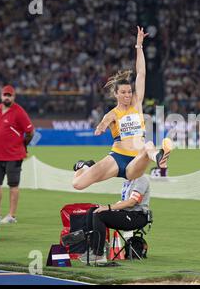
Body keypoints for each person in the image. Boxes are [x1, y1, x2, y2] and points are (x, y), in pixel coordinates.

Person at [72, 26, 172, 190]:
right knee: (77, 184)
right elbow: (102, 125)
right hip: (117, 158)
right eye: (123, 92)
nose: (127, 95)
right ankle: (84, 166)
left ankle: (160, 157)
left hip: (136, 161)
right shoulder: (112, 114)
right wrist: (101, 127)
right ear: (116, 94)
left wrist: (139, 46)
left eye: (129, 92)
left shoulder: (137, 104)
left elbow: (141, 74)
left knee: (148, 146)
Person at [80, 175, 151, 263]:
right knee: (92, 211)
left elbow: (131, 202)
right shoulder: (128, 180)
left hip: (137, 216)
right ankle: (93, 248)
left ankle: (99, 254)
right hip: (126, 213)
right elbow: (124, 201)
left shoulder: (141, 179)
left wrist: (109, 207)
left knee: (100, 215)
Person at [0, 85, 35, 224]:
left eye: (9, 95)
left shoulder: (19, 111)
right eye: (5, 95)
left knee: (13, 185)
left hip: (14, 155)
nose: (7, 97)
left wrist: (23, 145)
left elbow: (30, 132)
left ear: (14, 97)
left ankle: (11, 216)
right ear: (1, 96)